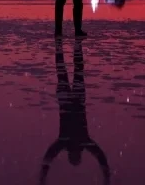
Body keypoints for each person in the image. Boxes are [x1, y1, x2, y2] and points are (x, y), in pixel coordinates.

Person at [39, 39, 110, 184]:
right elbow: (100, 156)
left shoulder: (71, 141)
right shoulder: (79, 141)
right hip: (73, 100)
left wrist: (43, 177)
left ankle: (69, 45)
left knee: (71, 69)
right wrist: (106, 175)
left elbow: (50, 155)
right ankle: (69, 45)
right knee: (66, 69)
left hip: (70, 100)